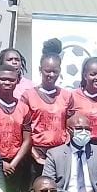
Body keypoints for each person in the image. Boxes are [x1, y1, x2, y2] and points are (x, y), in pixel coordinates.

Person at [24, 39, 73, 168]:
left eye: (55, 71)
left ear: (59, 71)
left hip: (60, 152)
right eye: (47, 71)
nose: (51, 75)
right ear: (40, 69)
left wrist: (64, 149)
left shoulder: (67, 96)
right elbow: (23, 130)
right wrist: (35, 155)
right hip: (36, 153)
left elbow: (70, 127)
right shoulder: (28, 96)